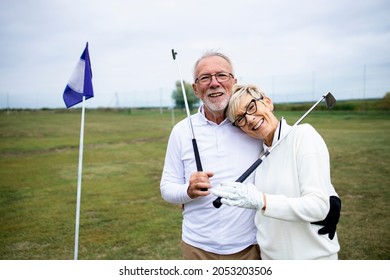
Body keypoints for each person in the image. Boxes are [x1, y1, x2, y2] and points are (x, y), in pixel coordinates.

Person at [160, 51, 341, 260]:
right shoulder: (183, 131)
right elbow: (167, 187)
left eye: (222, 75)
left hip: (249, 248)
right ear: (195, 89)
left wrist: (332, 198)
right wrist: (187, 191)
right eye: (205, 78)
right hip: (197, 246)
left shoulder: (254, 131)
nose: (214, 83)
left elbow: (300, 160)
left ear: (233, 81)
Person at [211, 84, 341, 259]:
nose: (249, 119)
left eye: (251, 107)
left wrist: (262, 201)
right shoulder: (259, 156)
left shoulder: (303, 136)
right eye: (240, 119)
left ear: (268, 102)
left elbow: (318, 206)